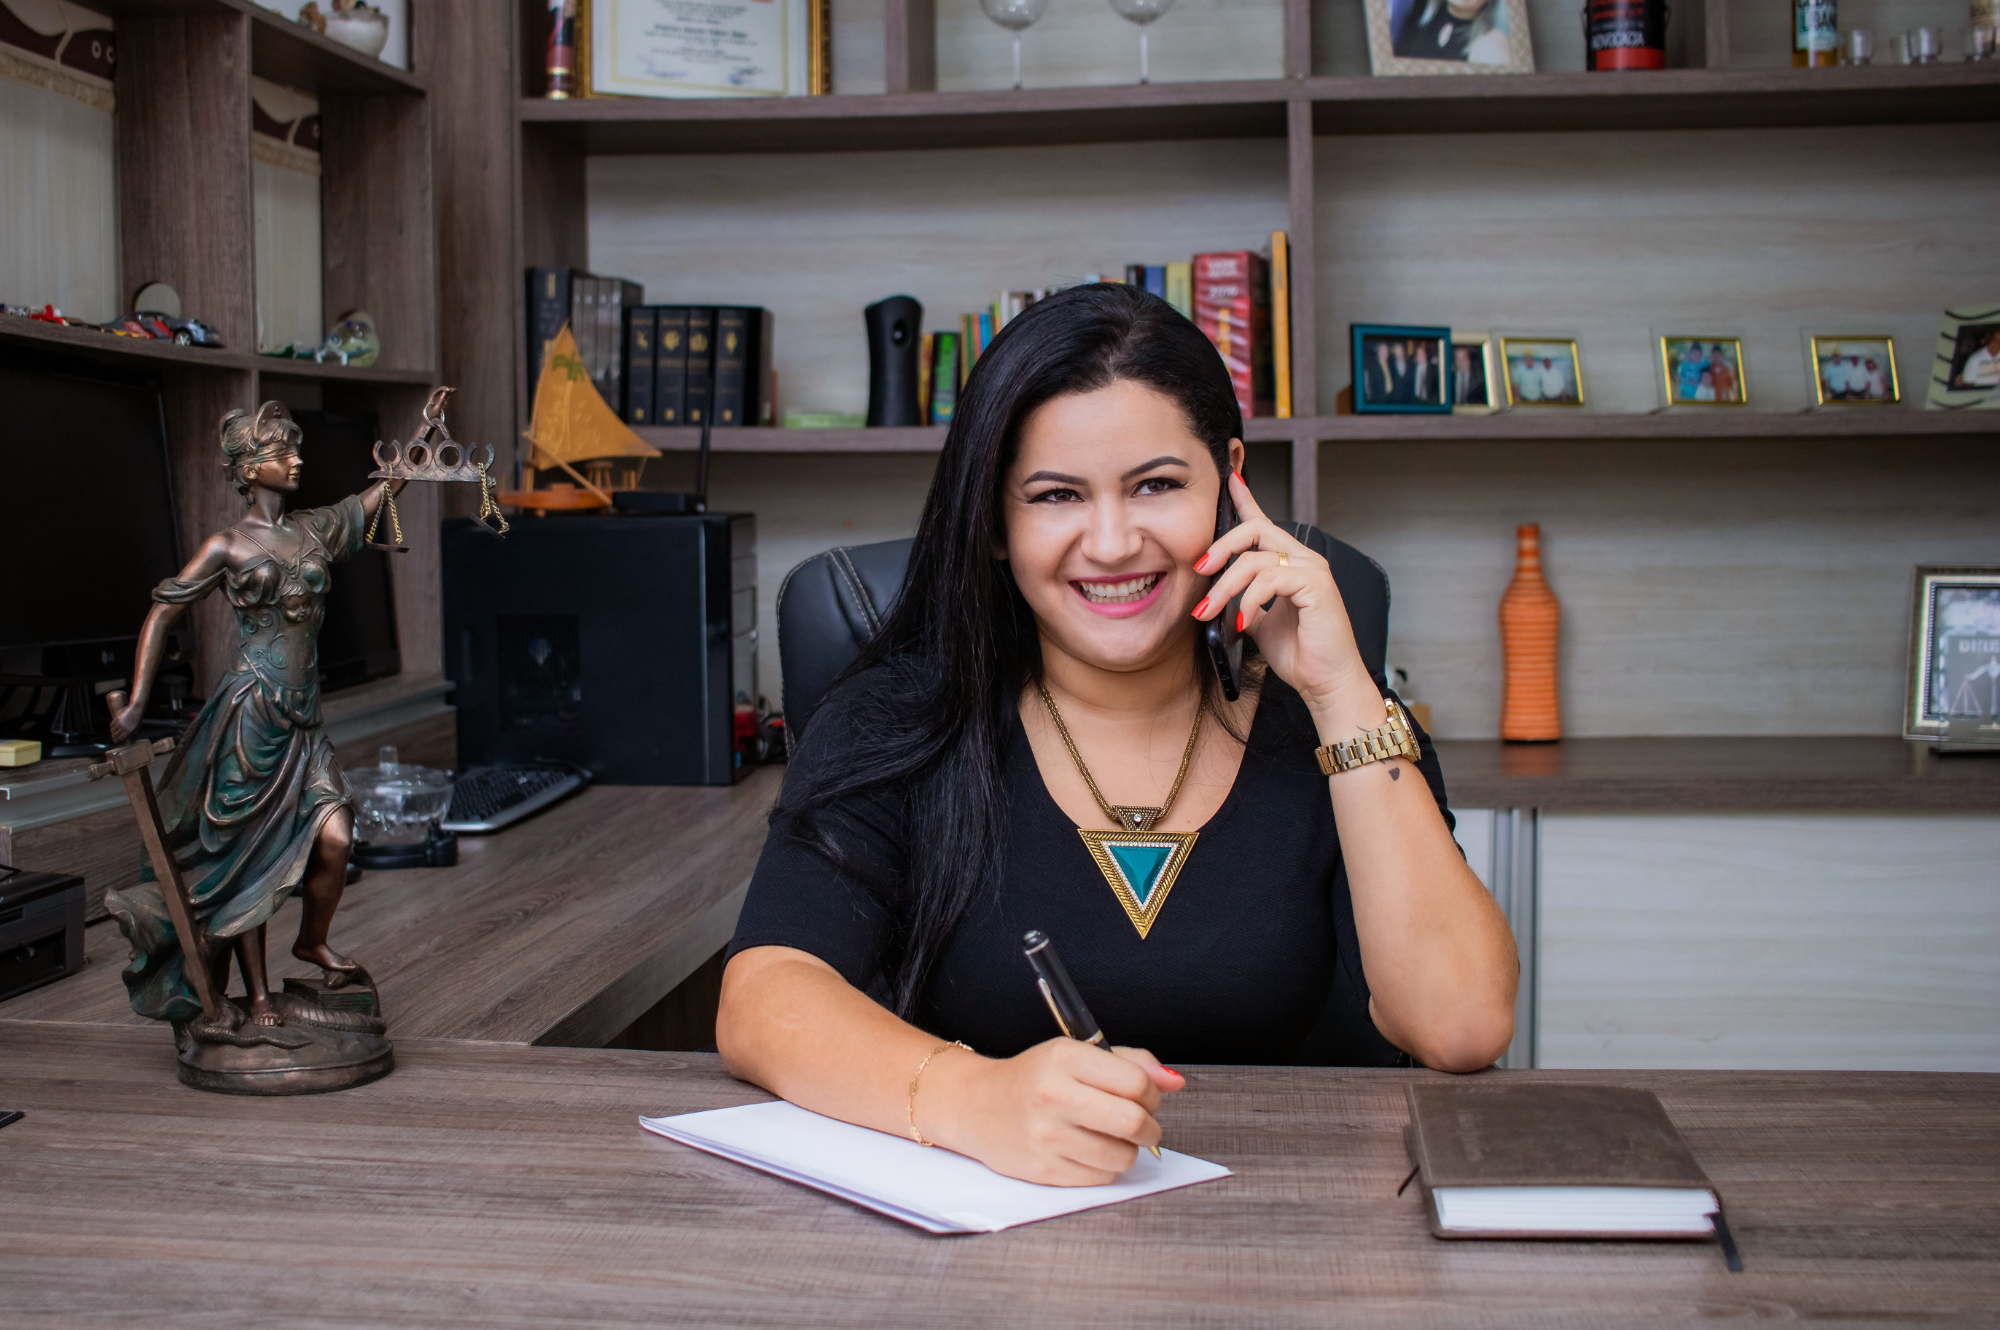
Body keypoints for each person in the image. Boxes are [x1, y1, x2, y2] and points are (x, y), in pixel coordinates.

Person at [717, 285, 1518, 1187]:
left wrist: (1342, 697)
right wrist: (972, 1099)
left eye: (1158, 485)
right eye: (1057, 495)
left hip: (1291, 1228)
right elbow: (764, 996)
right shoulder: (897, 718)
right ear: (993, 523)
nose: (1111, 541)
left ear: (1231, 483)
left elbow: (1462, 1028)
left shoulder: (1343, 720)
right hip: (987, 1233)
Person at [105, 402, 407, 1028]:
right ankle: (260, 995)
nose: (297, 460)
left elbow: (369, 501)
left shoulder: (313, 529)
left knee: (337, 835)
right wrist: (137, 702)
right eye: (282, 452)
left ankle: (312, 940)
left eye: (296, 449)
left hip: (305, 720)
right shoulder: (226, 545)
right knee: (251, 862)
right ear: (249, 468)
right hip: (251, 720)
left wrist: (422, 448)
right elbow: (163, 611)